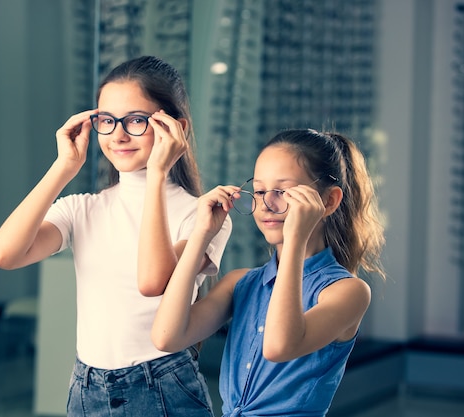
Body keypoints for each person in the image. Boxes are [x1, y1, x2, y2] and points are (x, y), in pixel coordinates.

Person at [0, 55, 232, 416]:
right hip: (86, 388)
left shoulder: (206, 215)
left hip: (163, 387)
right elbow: (4, 255)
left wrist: (157, 174)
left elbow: (153, 281)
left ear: (175, 127)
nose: (118, 134)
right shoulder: (82, 208)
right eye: (106, 120)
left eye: (136, 120)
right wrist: (64, 167)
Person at [151, 129, 385, 417]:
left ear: (328, 201)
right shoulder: (240, 282)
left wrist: (296, 239)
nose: (266, 204)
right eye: (260, 191)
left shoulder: (347, 291)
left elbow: (278, 346)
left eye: (283, 192)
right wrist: (202, 233)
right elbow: (166, 337)